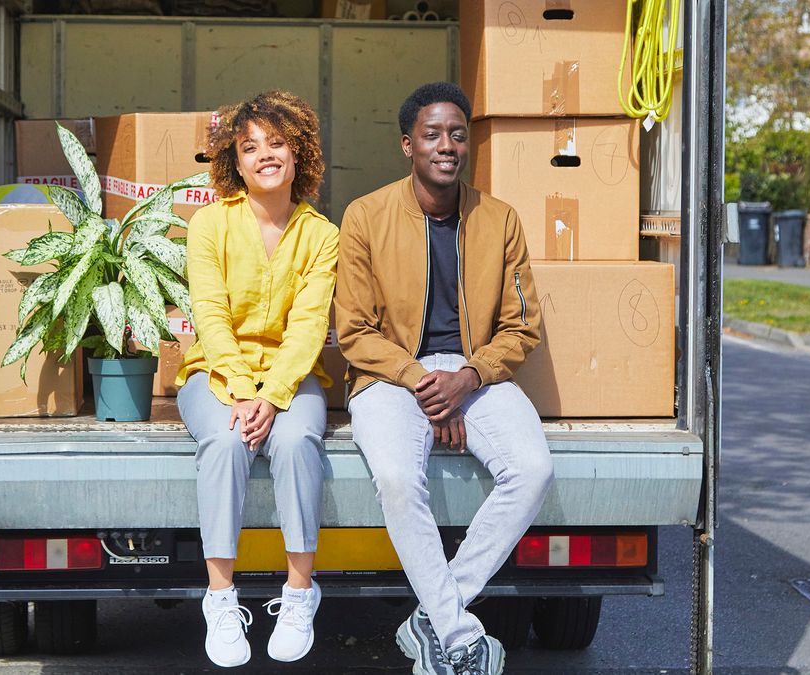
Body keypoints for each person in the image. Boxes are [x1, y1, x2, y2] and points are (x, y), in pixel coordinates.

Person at [334, 82, 554, 675]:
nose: (446, 145)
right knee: (400, 479)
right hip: (388, 377)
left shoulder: (500, 219)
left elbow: (521, 327)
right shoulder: (365, 216)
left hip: (473, 375)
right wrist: (421, 382)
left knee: (533, 468)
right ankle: (459, 635)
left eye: (458, 134)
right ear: (408, 145)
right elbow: (352, 331)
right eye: (432, 134)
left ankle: (434, 615)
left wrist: (468, 377)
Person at [175, 90, 338, 668]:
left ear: (298, 153)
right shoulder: (209, 226)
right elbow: (210, 315)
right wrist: (244, 391)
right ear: (234, 163)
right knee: (224, 441)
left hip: (291, 379)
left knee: (296, 441)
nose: (265, 155)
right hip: (216, 373)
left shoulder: (322, 235)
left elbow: (309, 327)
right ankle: (220, 599)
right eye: (250, 147)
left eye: (276, 143)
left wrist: (273, 396)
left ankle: (299, 594)